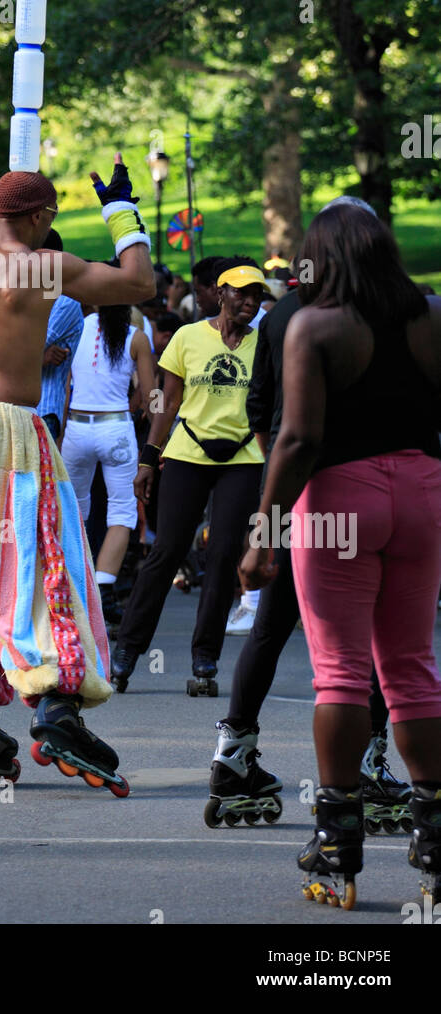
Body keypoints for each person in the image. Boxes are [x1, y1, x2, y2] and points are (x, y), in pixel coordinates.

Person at [0, 157, 154, 795]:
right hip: (6, 425)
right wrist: (122, 213)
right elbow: (138, 285)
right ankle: (57, 705)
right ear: (43, 217)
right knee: (40, 562)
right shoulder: (45, 265)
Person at [240, 204, 441, 909]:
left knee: (340, 674)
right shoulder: (431, 314)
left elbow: (297, 439)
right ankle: (436, 843)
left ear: (318, 258)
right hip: (422, 489)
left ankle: (337, 843)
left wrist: (262, 532)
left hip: (338, 501)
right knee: (412, 666)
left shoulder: (313, 325)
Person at [206, 202, 410, 834]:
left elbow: (263, 412)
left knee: (272, 626)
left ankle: (234, 753)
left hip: (300, 489)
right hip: (381, 490)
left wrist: (278, 499)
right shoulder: (407, 309)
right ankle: (371, 765)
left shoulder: (287, 314)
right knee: (380, 642)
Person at [110, 261, 268, 693]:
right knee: (166, 552)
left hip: (243, 456)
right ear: (220, 294)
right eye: (241, 294)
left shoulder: (266, 343)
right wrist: (148, 458)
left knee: (221, 557)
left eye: (256, 297)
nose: (249, 303)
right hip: (188, 452)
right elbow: (167, 401)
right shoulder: (187, 337)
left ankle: (205, 658)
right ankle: (126, 651)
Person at [61, 302, 155, 625]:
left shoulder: (78, 326)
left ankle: (72, 584)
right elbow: (149, 394)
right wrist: (151, 430)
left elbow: (65, 384)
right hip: (115, 428)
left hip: (76, 426)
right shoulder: (137, 337)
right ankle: (103, 588)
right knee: (122, 512)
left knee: (73, 509)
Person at [35, 228, 84, 442]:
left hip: (43, 410)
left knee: (35, 476)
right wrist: (41, 358)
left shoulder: (65, 301)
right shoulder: (29, 294)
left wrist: (39, 357)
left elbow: (24, 347)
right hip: (18, 409)